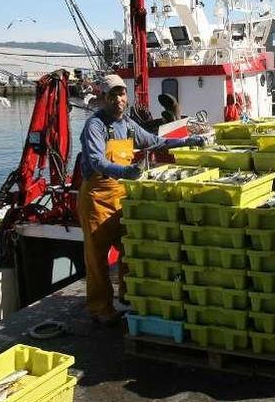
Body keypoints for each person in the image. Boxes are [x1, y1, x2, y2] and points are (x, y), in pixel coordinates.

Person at [78, 74, 205, 325]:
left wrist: (187, 141)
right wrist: (124, 171)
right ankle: (100, 308)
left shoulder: (128, 124)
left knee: (129, 248)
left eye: (122, 93)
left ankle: (128, 296)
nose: (118, 99)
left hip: (121, 196)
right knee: (96, 258)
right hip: (97, 198)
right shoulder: (95, 125)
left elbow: (156, 142)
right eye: (112, 95)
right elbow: (96, 161)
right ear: (103, 98)